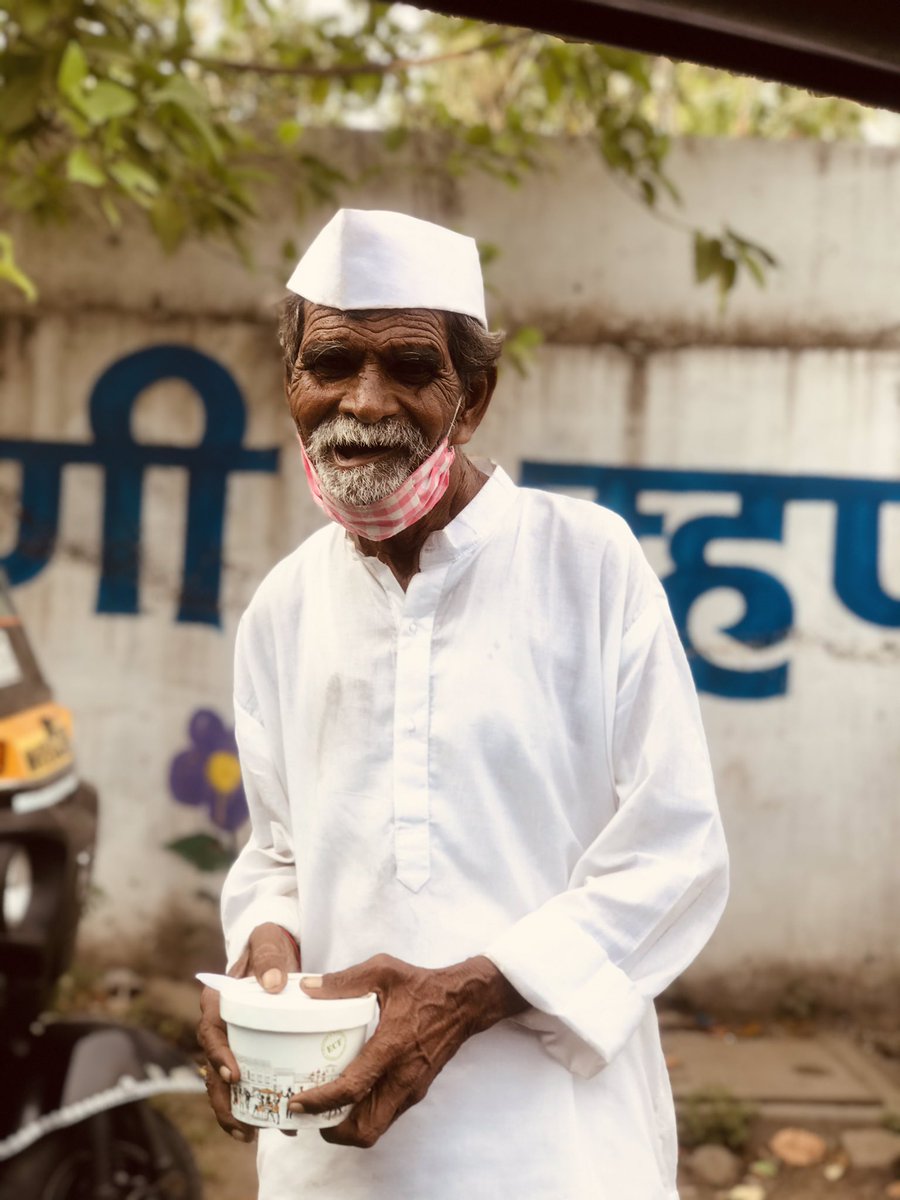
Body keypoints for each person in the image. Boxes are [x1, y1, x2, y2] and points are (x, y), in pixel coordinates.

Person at [198, 208, 729, 1200]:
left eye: (408, 367)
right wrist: (261, 951)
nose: (364, 401)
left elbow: (677, 854)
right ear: (291, 387)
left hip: (557, 1148)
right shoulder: (283, 605)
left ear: (473, 398)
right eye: (333, 363)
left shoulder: (589, 564)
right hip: (333, 1152)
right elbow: (278, 850)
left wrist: (465, 993)